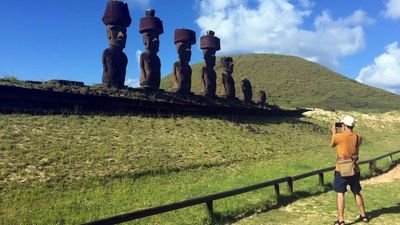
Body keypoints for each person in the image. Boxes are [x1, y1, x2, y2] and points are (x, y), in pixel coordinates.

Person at [331, 115, 369, 225]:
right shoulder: (358, 137)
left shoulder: (338, 136)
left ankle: (341, 220)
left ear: (343, 125)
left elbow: (332, 144)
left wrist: (334, 132)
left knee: (340, 194)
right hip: (354, 168)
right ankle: (363, 216)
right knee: (357, 192)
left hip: (341, 169)